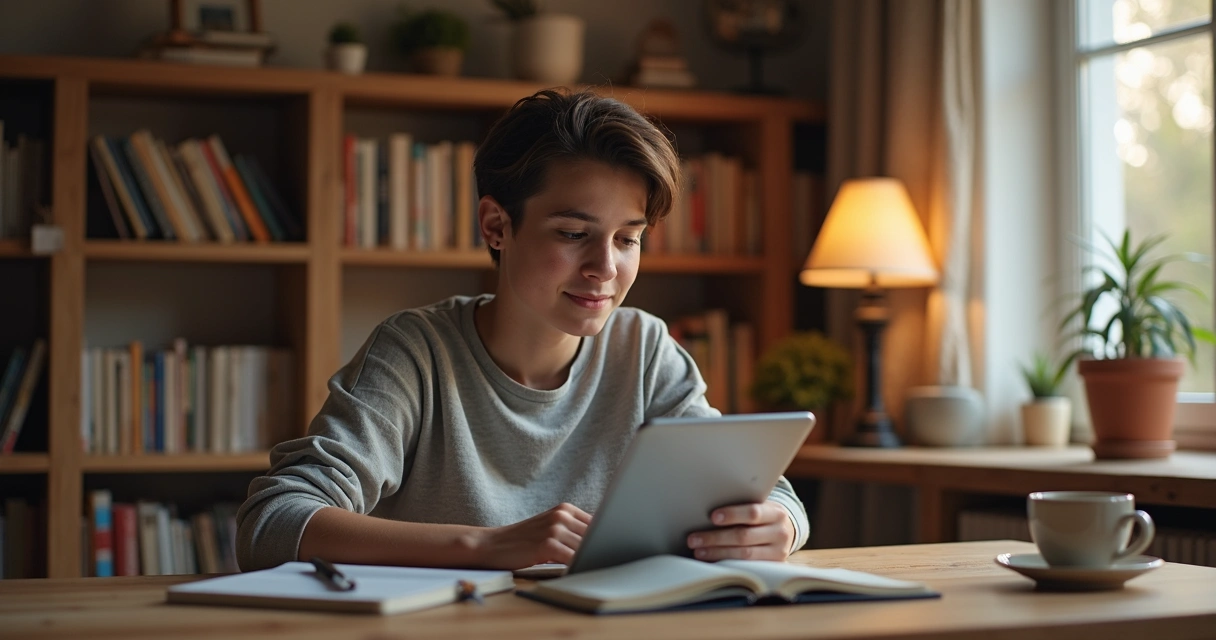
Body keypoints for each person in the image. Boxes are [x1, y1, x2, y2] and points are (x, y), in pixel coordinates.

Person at [236, 89, 809, 572]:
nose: (605, 268)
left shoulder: (645, 349)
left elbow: (765, 490)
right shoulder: (416, 352)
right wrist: (486, 545)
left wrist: (779, 525)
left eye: (628, 238)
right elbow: (273, 522)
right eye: (571, 233)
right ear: (496, 225)